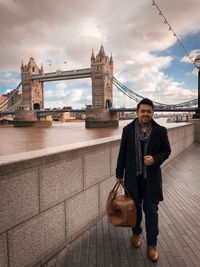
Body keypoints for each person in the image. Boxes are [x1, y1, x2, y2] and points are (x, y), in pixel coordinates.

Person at [116, 98, 171, 262]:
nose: (145, 114)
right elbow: (122, 153)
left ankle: (152, 244)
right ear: (137, 112)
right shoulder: (128, 130)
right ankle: (136, 233)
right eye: (143, 111)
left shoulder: (160, 131)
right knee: (135, 209)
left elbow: (167, 151)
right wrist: (119, 173)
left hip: (152, 178)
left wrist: (155, 159)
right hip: (133, 177)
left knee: (152, 212)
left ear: (152, 113)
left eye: (149, 111)